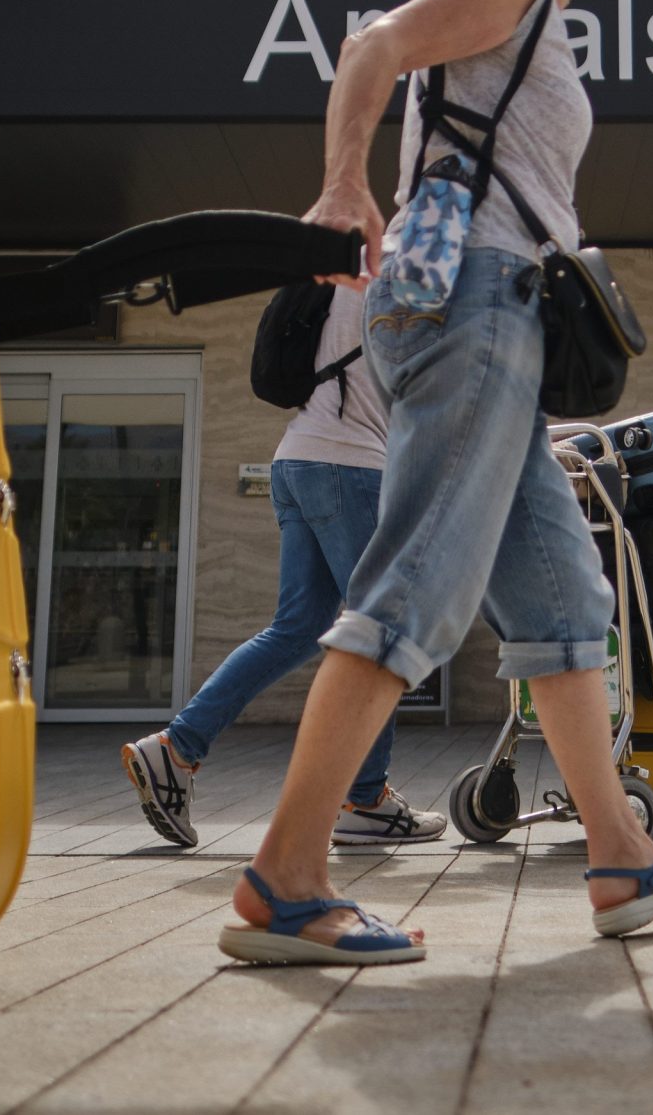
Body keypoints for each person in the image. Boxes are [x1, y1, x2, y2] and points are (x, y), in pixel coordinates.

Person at [217, 0, 653, 968]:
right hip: (470, 307)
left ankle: (620, 856)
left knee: (562, 597)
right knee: (418, 583)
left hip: (488, 314)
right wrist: (343, 184)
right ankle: (285, 881)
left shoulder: (544, 13)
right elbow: (374, 45)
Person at [121, 284, 445, 850]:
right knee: (386, 631)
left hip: (297, 460)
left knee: (297, 628)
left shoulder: (333, 288)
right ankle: (366, 800)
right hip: (349, 468)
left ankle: (175, 750)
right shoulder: (397, 287)